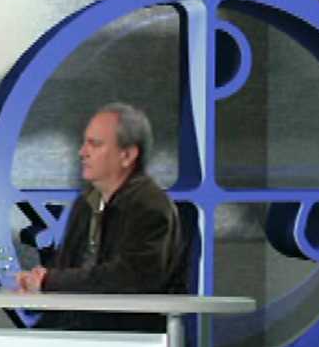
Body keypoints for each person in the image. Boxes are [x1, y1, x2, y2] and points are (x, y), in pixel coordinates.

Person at [14, 102, 188, 332]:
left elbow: (129, 278)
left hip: (128, 339)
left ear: (127, 155)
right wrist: (37, 284)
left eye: (94, 144)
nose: (82, 152)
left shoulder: (150, 206)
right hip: (77, 332)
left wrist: (50, 281)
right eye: (84, 143)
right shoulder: (87, 202)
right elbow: (67, 268)